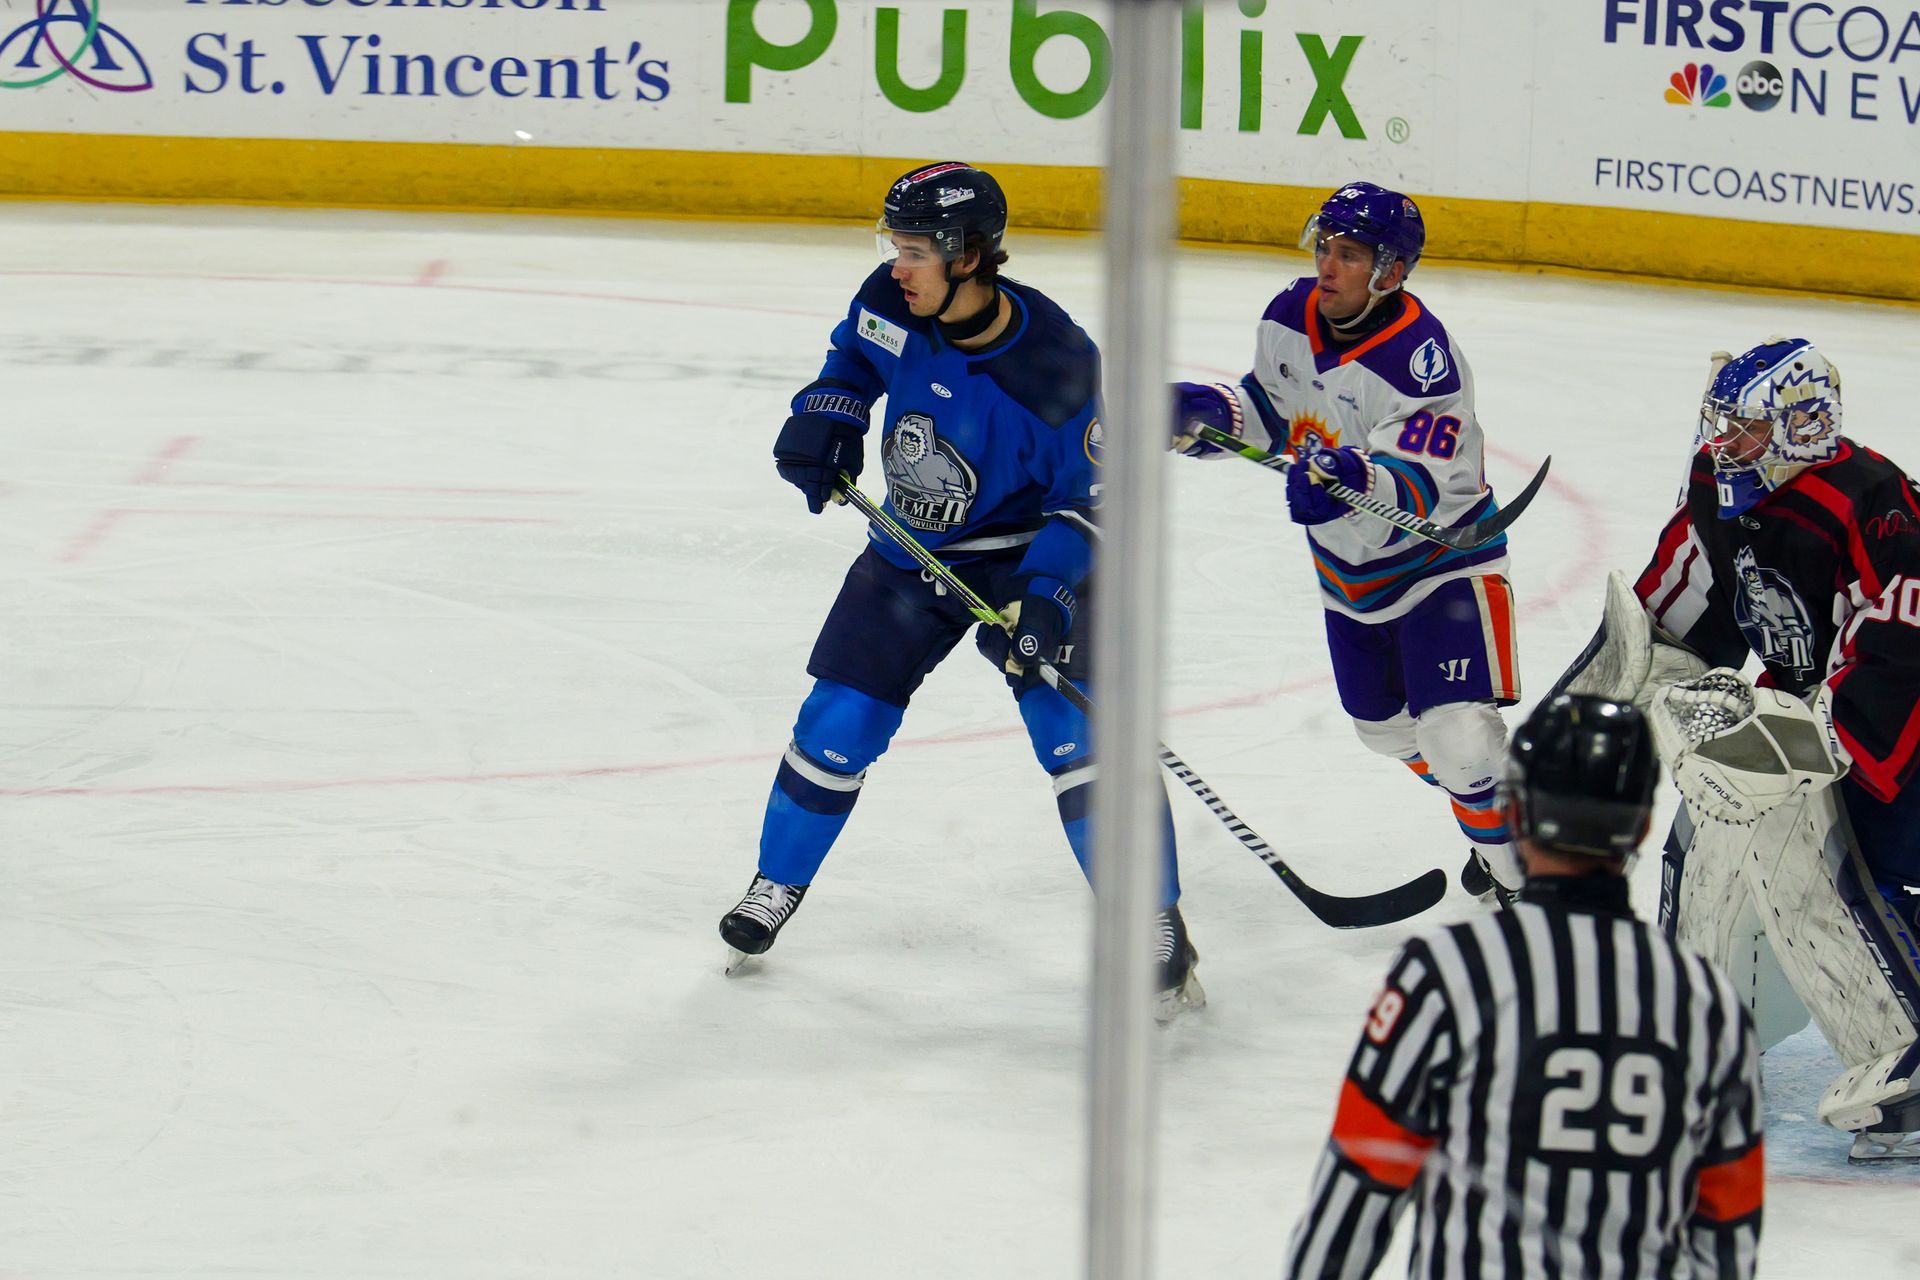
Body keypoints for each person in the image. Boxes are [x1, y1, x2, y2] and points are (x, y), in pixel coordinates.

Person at [718, 161, 1202, 1018]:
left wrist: (1045, 595)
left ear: (968, 255)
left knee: (1079, 739)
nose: (895, 266)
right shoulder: (892, 299)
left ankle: (1154, 918)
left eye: (914, 251)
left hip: (1027, 558)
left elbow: (1093, 502)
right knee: (838, 722)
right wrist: (828, 414)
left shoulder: (1055, 366)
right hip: (909, 551)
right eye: (893, 247)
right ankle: (775, 883)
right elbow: (852, 358)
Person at [1557, 336, 1920, 1161]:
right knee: (1712, 821)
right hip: (1826, 714)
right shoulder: (1719, 491)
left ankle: (1902, 1048)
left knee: (1803, 833)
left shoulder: (1877, 504)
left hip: (1901, 739)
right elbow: (1671, 623)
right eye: (1721, 423)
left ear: (1804, 425)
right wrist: (1582, 731)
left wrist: (1807, 742)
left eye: (1746, 427)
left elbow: (1899, 653)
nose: (1725, 442)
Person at [1283, 693, 1764, 1279]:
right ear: (1641, 827)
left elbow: (1357, 1191)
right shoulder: (1707, 1003)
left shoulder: (1447, 974)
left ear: (1515, 813)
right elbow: (1727, 1235)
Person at [1170, 181, 1523, 905]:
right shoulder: (1289, 315)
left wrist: (1352, 476)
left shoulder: (1422, 358)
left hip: (1441, 565)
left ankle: (1529, 887)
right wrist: (1208, 415)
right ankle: (1500, 814)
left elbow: (1423, 480)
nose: (1327, 265)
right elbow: (1272, 411)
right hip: (1350, 576)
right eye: (1325, 246)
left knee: (1459, 739)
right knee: (1385, 733)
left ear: (1391, 272)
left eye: (1350, 255)